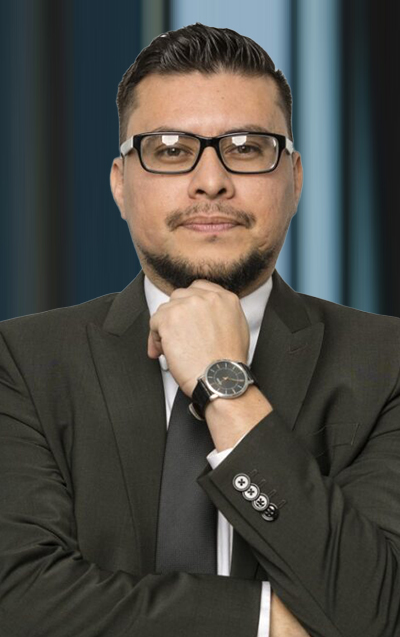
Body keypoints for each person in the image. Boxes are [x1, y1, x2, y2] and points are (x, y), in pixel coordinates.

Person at [0, 22, 399, 637]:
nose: (211, 180)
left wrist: (225, 386)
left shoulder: (387, 362)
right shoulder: (22, 361)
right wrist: (263, 621)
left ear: (294, 179)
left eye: (246, 147)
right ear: (120, 185)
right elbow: (18, 597)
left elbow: (377, 609)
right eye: (169, 149)